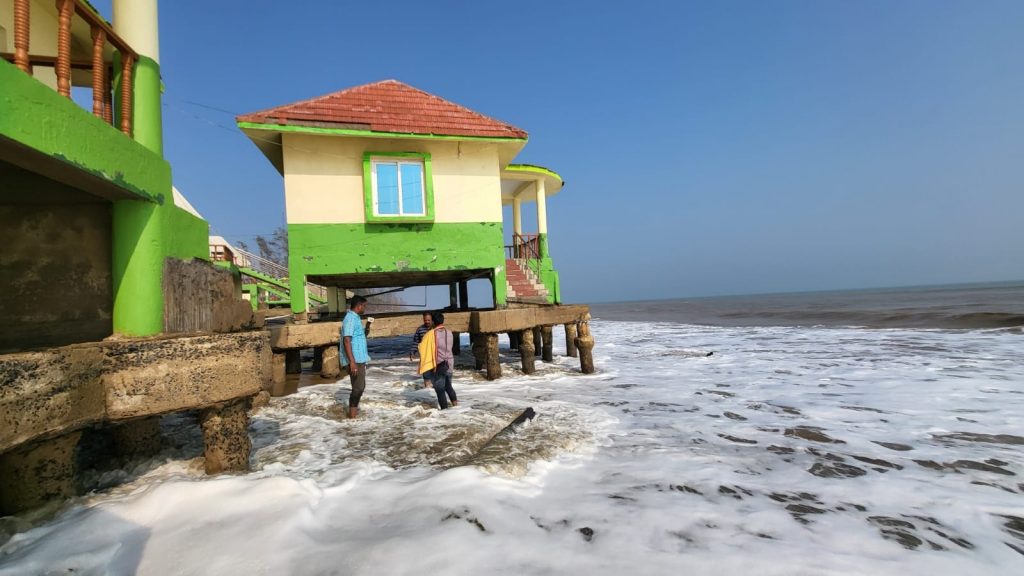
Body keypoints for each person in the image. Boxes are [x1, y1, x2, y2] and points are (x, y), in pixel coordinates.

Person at [340, 295, 371, 418]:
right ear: (359, 306)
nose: (365, 308)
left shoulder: (356, 318)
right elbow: (347, 340)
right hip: (355, 359)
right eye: (364, 306)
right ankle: (352, 416)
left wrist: (367, 326)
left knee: (360, 387)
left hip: (359, 358)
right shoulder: (350, 318)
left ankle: (353, 413)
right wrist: (352, 362)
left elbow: (358, 336)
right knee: (358, 388)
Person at [430, 311, 458, 409]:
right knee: (448, 386)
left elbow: (427, 350)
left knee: (440, 389)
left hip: (440, 364)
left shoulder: (432, 334)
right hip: (450, 363)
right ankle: (456, 406)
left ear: (433, 322)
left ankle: (445, 411)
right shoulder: (449, 332)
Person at [411, 312, 434, 388]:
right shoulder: (420, 329)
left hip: (435, 357)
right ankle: (427, 393)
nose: (427, 322)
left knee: (436, 378)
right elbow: (416, 342)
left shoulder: (435, 329)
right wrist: (413, 352)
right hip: (425, 357)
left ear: (432, 319)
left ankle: (435, 395)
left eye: (428, 320)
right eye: (425, 320)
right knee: (426, 376)